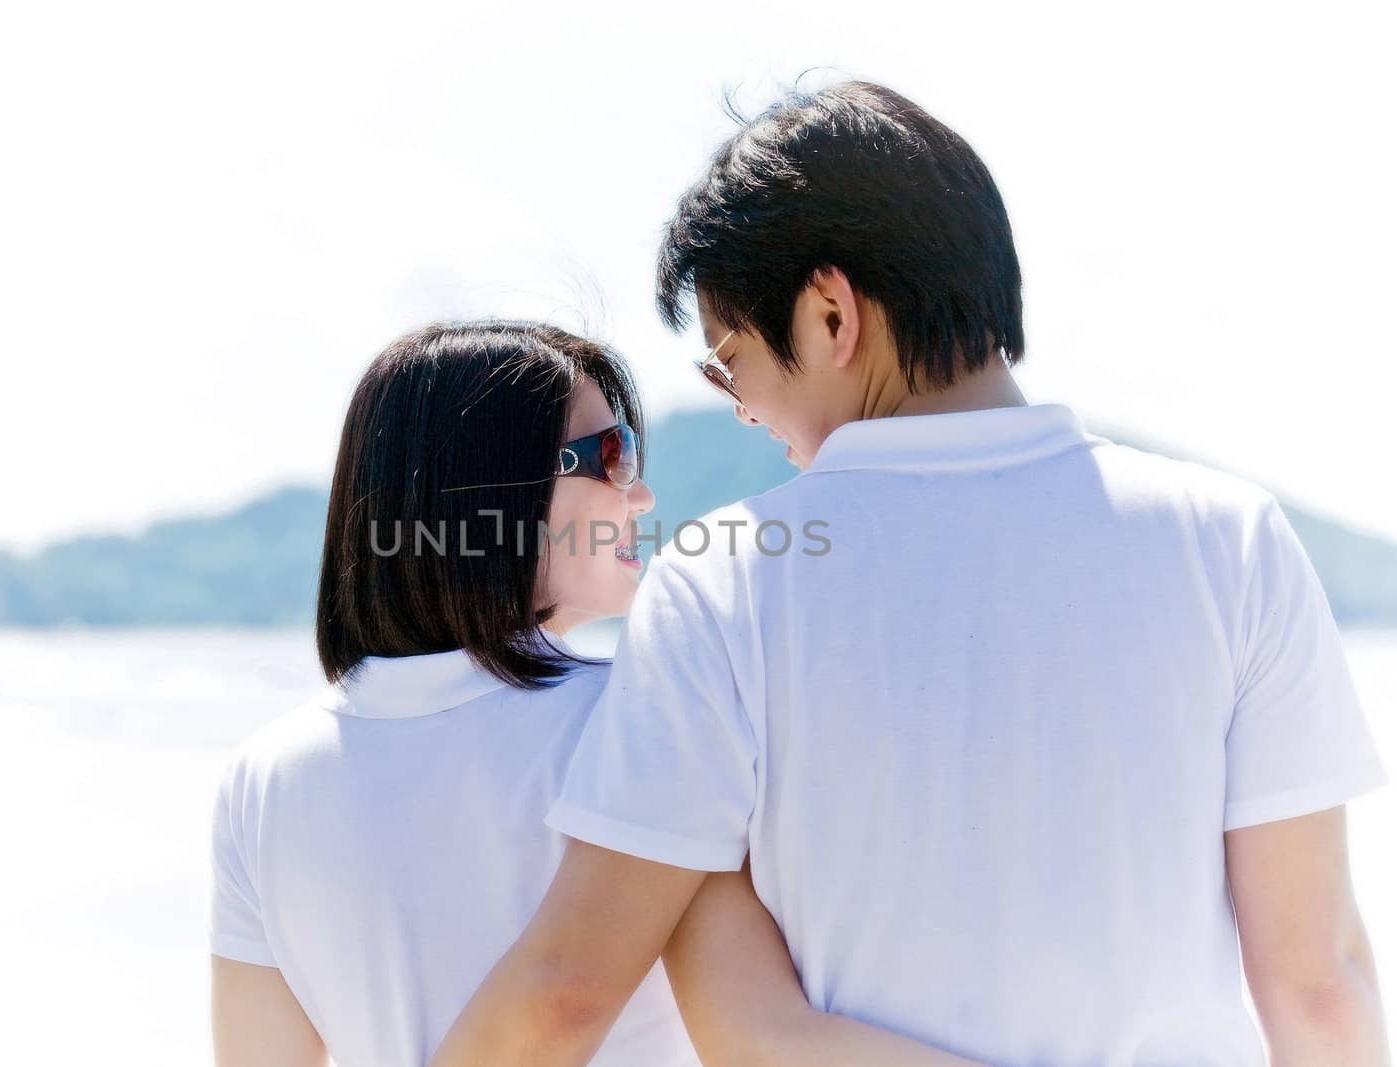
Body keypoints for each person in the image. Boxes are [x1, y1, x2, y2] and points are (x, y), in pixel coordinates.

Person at [432, 83, 1392, 1065]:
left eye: (729, 361)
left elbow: (566, 992)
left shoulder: (727, 578)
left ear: (829, 312)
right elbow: (1317, 984)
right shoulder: (1228, 538)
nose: (739, 407)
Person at [208, 320, 987, 1066]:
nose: (640, 496)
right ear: (490, 490)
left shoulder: (260, 778)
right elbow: (761, 1041)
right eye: (611, 455)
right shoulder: (645, 715)